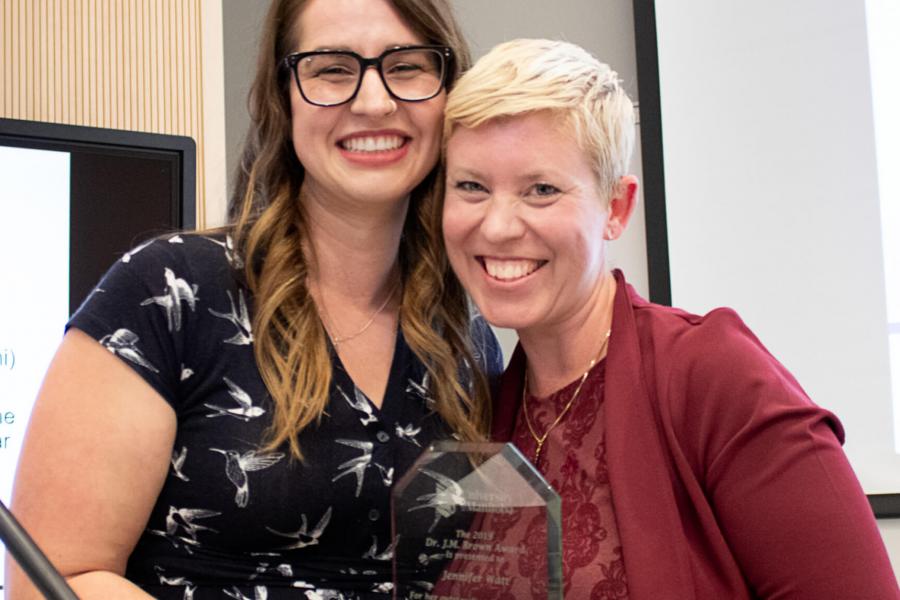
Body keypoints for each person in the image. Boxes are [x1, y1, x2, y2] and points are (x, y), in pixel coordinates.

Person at [7, 1, 501, 598]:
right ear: (282, 96)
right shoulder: (167, 295)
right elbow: (55, 577)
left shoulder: (467, 338)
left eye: (408, 66)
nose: (374, 101)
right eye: (331, 70)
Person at [440, 38, 900, 599]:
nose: (497, 226)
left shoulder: (713, 375)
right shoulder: (482, 406)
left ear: (616, 208)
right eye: (471, 187)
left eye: (541, 190)